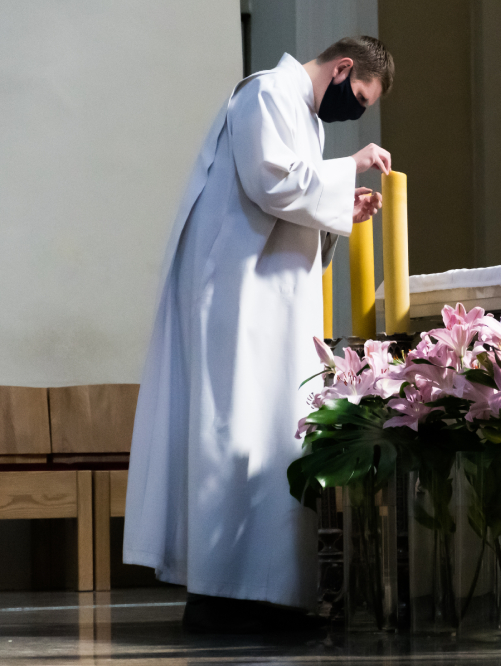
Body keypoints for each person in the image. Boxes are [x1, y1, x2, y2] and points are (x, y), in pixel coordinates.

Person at [122, 36, 394, 633]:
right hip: (234, 296)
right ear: (344, 68)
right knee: (233, 427)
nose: (354, 112)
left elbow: (296, 197)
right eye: (360, 98)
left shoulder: (304, 117)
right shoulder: (267, 92)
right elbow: (271, 181)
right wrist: (348, 169)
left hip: (268, 300)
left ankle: (263, 597)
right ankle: (222, 599)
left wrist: (339, 209)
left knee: (270, 434)